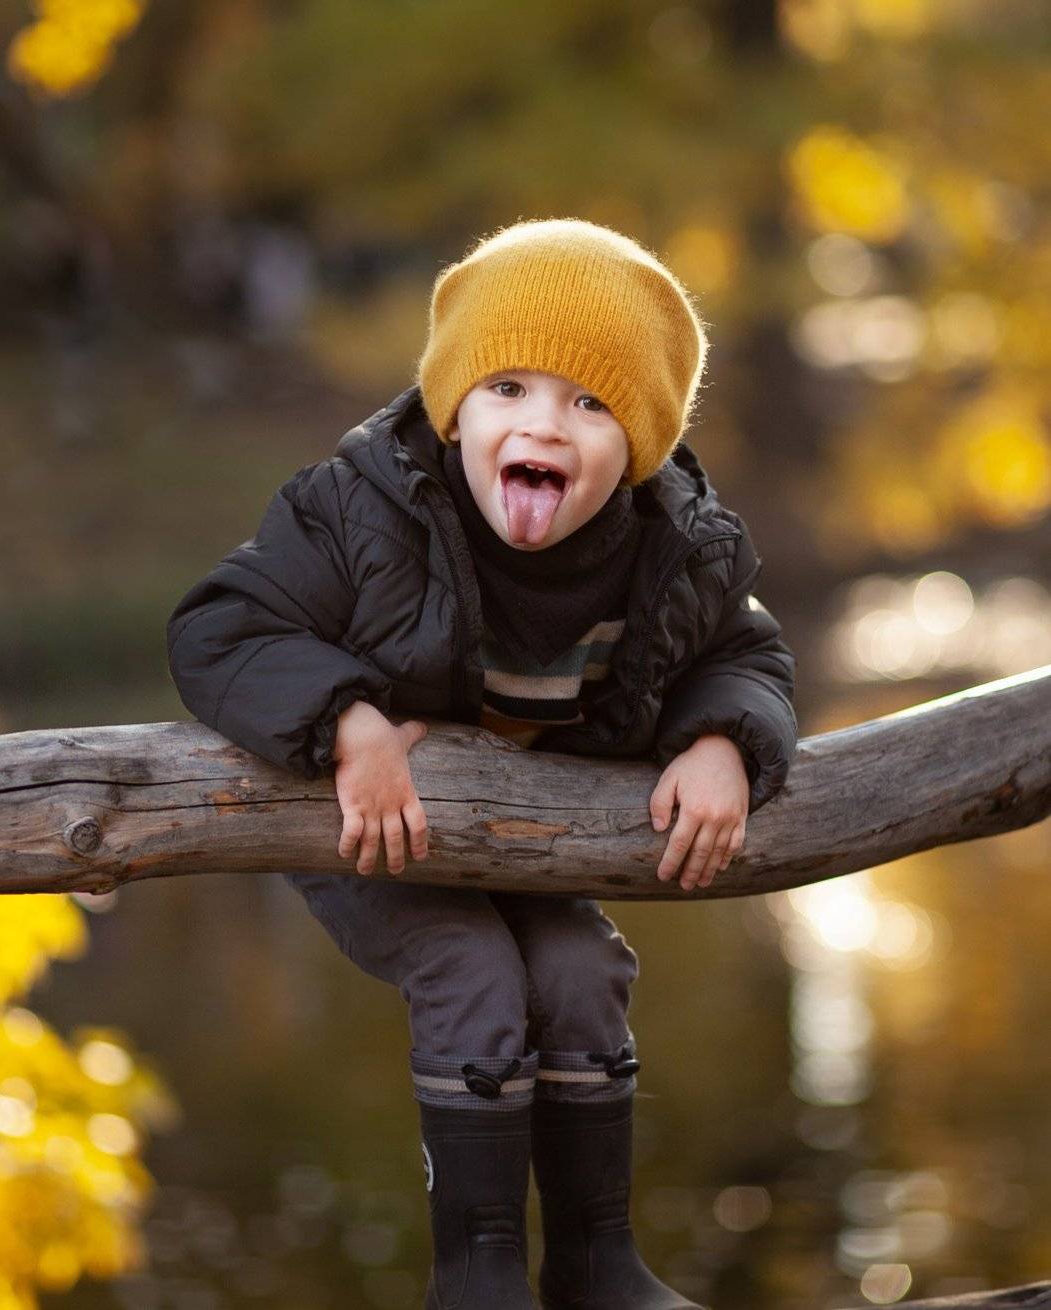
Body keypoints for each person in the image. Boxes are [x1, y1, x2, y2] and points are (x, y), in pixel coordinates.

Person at [165, 217, 798, 1309]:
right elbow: (220, 629)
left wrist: (720, 742)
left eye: (590, 404)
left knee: (581, 973)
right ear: (457, 405)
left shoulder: (677, 547)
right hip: (377, 827)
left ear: (642, 443)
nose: (542, 423)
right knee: (471, 973)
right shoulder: (363, 508)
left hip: (526, 840)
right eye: (508, 389)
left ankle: (597, 1263)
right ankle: (478, 1274)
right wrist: (348, 720)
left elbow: (747, 657)